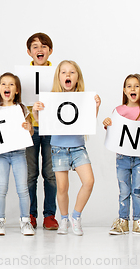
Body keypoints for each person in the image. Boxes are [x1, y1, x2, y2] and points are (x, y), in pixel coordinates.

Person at [32, 60, 100, 236]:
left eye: (72, 72)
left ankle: (75, 216)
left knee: (89, 181)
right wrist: (36, 112)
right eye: (63, 72)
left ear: (77, 78)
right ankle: (63, 219)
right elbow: (43, 123)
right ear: (58, 77)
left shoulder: (83, 98)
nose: (68, 75)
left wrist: (96, 107)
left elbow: (88, 123)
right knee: (62, 187)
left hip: (78, 147)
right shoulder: (51, 98)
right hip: (58, 148)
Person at [103, 74, 140, 236]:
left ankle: (138, 221)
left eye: (136, 86)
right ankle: (123, 221)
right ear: (124, 90)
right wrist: (107, 124)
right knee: (124, 190)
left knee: (137, 190)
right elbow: (113, 131)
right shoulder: (119, 111)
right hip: (122, 157)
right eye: (129, 86)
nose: (132, 89)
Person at [0, 73, 35, 236]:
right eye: (3, 84)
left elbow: (30, 133)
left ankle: (25, 221)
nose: (7, 87)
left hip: (18, 154)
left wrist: (28, 128)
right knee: (1, 187)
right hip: (1, 155)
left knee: (22, 188)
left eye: (11, 84)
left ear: (17, 90)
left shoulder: (21, 109)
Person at [24, 32, 58, 230]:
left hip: (52, 130)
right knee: (30, 174)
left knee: (51, 174)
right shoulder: (23, 75)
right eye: (35, 46)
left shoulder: (57, 73)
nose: (39, 49)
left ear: (50, 51)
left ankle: (49, 215)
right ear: (29, 52)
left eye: (44, 46)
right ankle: (30, 214)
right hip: (30, 129)